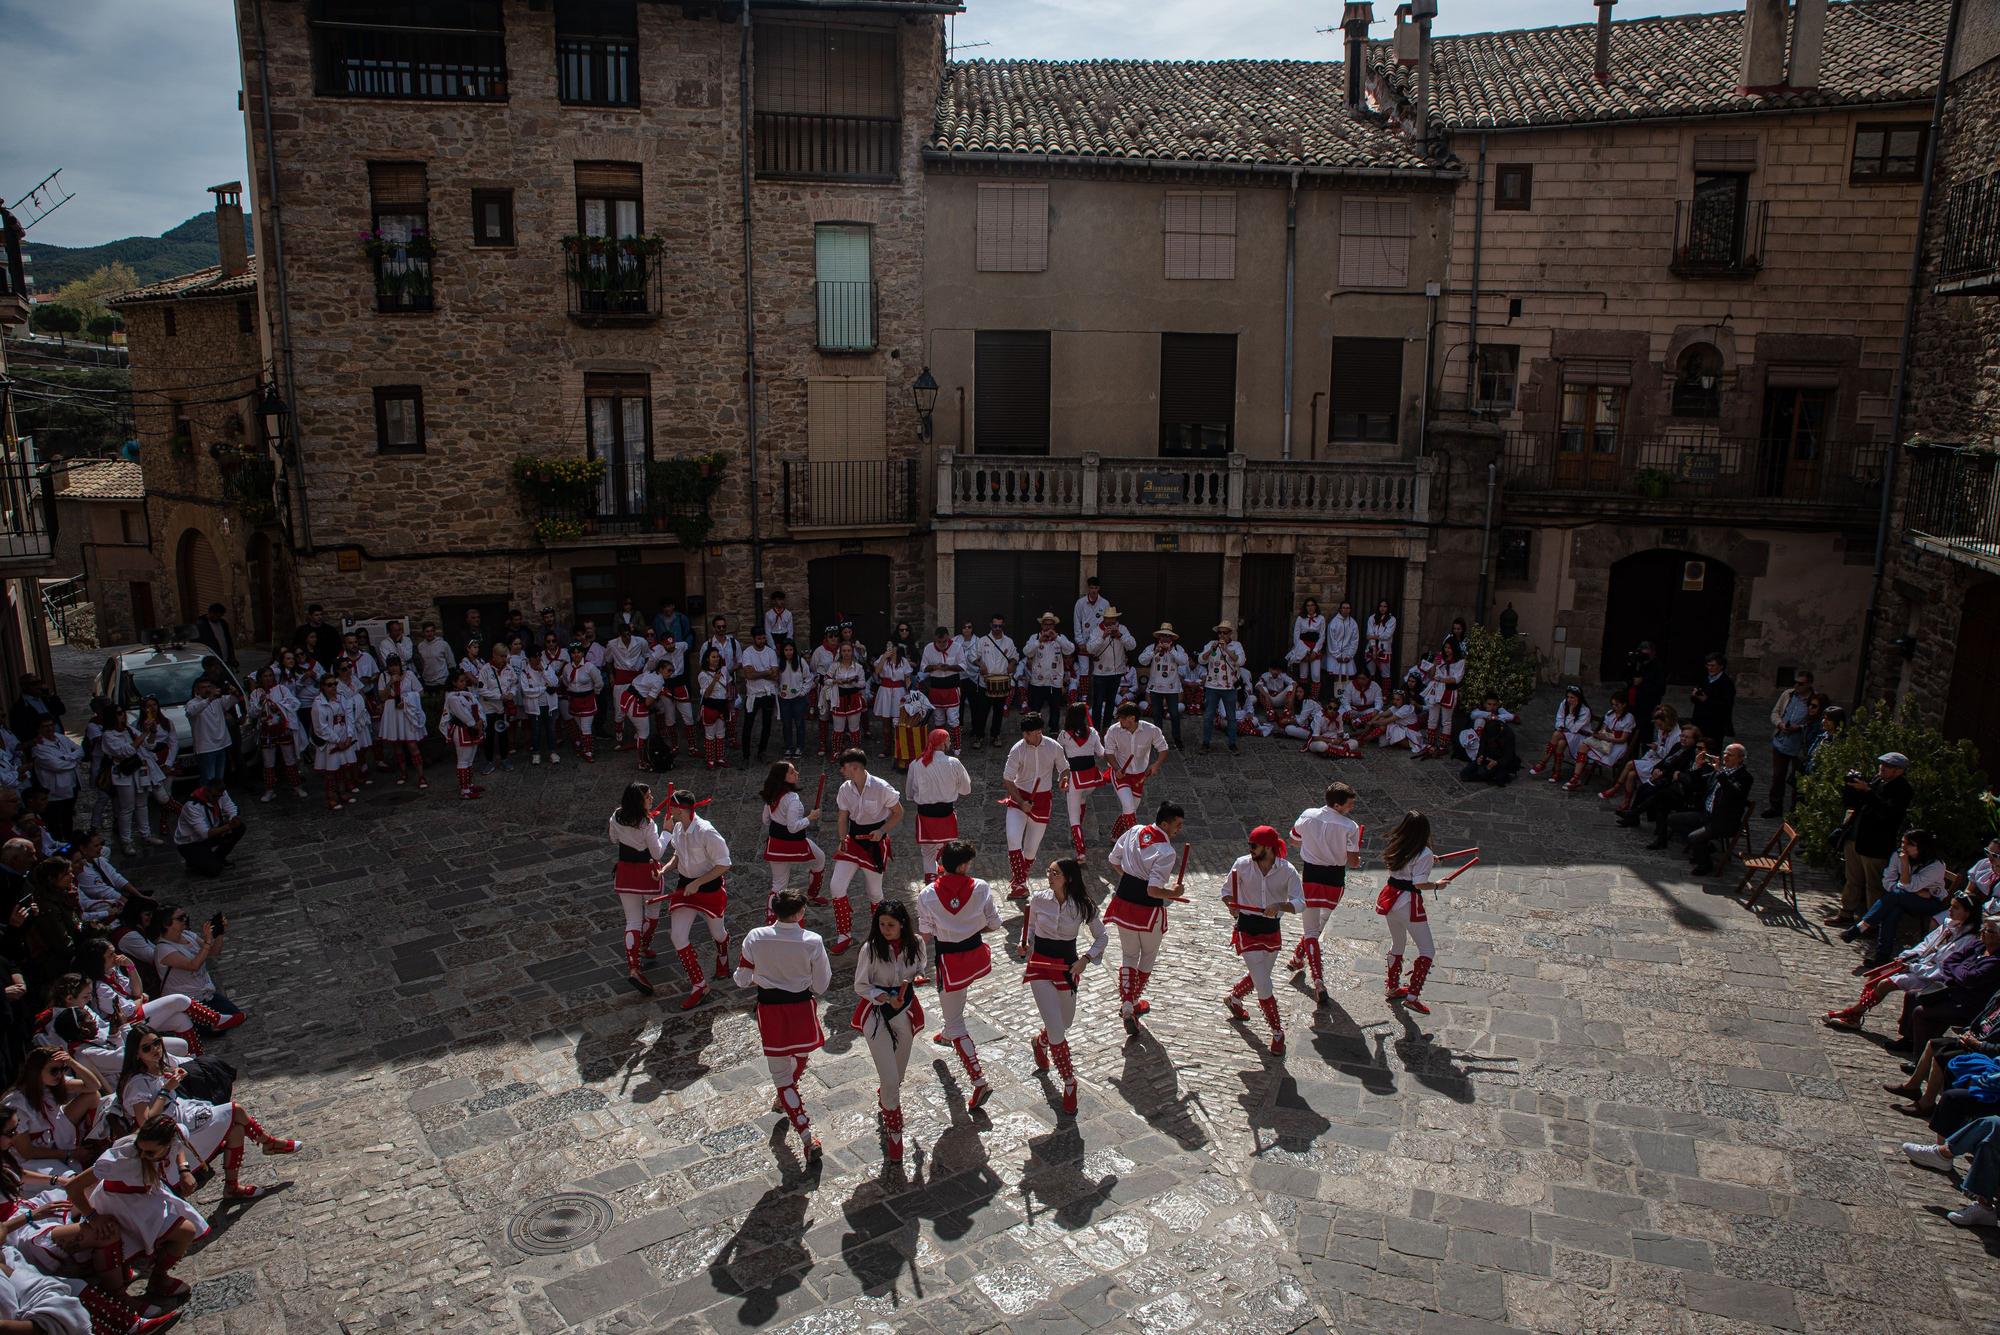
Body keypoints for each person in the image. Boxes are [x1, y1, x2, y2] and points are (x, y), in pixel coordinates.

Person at [117, 1025, 299, 1203]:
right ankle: (269, 1143)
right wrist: (165, 1091)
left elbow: (181, 1063)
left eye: (157, 1042)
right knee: (235, 1109)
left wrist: (176, 1075)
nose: (155, 1049)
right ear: (136, 1053)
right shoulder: (137, 1084)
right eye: (147, 1048)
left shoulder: (158, 1067)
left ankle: (232, 1187)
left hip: (185, 1118)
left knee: (236, 1130)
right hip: (174, 1135)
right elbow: (146, 1122)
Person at [67, 1115, 208, 1306]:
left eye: (150, 1153)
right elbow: (73, 1187)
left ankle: (158, 1278)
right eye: (140, 1149)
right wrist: (92, 1217)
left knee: (183, 1231)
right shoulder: (121, 1157)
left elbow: (178, 1146)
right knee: (184, 1231)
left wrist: (184, 1170)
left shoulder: (173, 1135)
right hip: (118, 1204)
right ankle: (122, 1293)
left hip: (146, 1198)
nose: (142, 1155)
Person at [734, 889, 832, 1157]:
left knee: (782, 1078)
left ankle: (806, 1136)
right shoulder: (812, 941)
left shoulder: (755, 937)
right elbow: (822, 985)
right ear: (800, 913)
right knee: (799, 1057)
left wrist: (763, 978)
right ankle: (796, 1119)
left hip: (771, 1012)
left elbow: (741, 979)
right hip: (802, 1009)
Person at [916, 840, 1002, 1112]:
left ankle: (979, 1080)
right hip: (974, 957)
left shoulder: (927, 894)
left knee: (956, 1022)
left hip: (948, 961)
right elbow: (994, 924)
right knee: (957, 996)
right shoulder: (982, 887)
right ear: (963, 865)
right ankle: (947, 1032)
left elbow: (926, 934)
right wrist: (970, 931)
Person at [1824, 891, 1982, 1031]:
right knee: (1878, 973)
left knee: (1886, 983)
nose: (1949, 910)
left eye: (1955, 908)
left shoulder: (1968, 940)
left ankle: (1854, 1012)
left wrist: (1912, 967)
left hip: (1932, 978)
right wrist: (1906, 957)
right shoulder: (1948, 926)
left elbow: (1942, 968)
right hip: (1917, 966)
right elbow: (1926, 944)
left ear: (1967, 913)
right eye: (1951, 906)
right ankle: (1856, 1016)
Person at [1021, 856, 1104, 1115]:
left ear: (1068, 877)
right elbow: (1031, 927)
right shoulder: (1038, 899)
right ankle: (1069, 1081)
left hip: (1067, 967)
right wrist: (1025, 942)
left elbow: (1102, 937)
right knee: (1058, 1031)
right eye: (1049, 871)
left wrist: (1085, 959)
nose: (1049, 875)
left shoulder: (1083, 906)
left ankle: (1040, 1041)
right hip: (1040, 967)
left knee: (1064, 1022)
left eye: (1055, 872)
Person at [1104, 801, 1188, 1036]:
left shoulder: (1133, 831)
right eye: (1177, 824)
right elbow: (1153, 891)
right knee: (1147, 956)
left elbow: (1113, 860)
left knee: (1128, 955)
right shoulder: (1166, 852)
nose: (1179, 829)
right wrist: (1173, 893)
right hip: (1148, 911)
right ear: (1164, 824)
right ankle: (1132, 1001)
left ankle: (1128, 1004)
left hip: (1123, 903)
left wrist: (1130, 878)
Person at [851, 899, 925, 1162]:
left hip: (904, 1012)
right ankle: (895, 1131)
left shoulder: (916, 943)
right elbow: (861, 986)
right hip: (877, 1015)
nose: (886, 929)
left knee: (898, 1075)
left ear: (902, 924)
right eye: (881, 924)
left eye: (891, 925)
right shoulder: (869, 950)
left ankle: (886, 1097)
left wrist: (916, 979)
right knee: (891, 1079)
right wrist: (882, 997)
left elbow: (920, 969)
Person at [1221, 826, 1303, 1055]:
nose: (1250, 850)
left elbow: (1300, 902)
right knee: (1264, 983)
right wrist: (1231, 906)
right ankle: (1277, 1032)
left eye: (1253, 846)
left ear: (1268, 847)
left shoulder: (1287, 871)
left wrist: (1280, 906)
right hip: (1247, 928)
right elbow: (1226, 891)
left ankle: (1235, 997)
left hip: (1271, 929)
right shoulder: (1242, 864)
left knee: (1261, 975)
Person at [661, 787, 732, 1010]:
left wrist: (698, 882)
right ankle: (699, 984)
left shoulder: (707, 832)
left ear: (684, 810)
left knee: (717, 933)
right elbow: (678, 854)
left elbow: (724, 864)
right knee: (678, 936)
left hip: (709, 889)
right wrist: (666, 869)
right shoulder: (678, 828)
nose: (670, 814)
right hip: (685, 887)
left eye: (673, 810)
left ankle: (723, 959)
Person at [827, 748, 903, 954]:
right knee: (836, 886)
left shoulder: (881, 787)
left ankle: (880, 936)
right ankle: (844, 935)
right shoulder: (845, 788)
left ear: (854, 767)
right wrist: (842, 838)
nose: (842, 772)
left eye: (843, 768)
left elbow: (898, 812)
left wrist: (882, 830)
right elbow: (843, 818)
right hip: (852, 842)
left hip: (874, 843)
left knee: (875, 893)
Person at [1829, 752, 1915, 929]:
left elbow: (1886, 812)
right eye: (1881, 765)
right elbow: (1856, 803)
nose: (1882, 768)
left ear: (1899, 771)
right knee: (1852, 879)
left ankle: (1871, 923)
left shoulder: (1902, 789)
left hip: (1876, 843)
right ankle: (1845, 913)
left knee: (1873, 885)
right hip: (1856, 837)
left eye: (1888, 766)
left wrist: (1867, 791)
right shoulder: (1877, 780)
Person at [1842, 829, 1950, 965]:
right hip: (1903, 897)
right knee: (1893, 908)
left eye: (1909, 844)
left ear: (1921, 847)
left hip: (1929, 902)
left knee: (1895, 896)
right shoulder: (1898, 855)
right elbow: (1888, 881)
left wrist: (1905, 866)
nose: (1903, 848)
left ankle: (1863, 926)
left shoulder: (1935, 866)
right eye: (1902, 842)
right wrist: (1910, 889)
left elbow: (1909, 885)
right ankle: (1881, 956)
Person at [1378, 810, 1449, 1015]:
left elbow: (1409, 865)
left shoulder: (1397, 843)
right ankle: (1412, 996)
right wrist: (1437, 885)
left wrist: (1428, 860)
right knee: (1427, 950)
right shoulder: (1424, 853)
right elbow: (1419, 882)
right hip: (1408, 903)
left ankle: (1392, 987)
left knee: (1397, 943)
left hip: (1391, 899)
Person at [1649, 742, 1753, 876]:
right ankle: (1706, 846)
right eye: (1725, 754)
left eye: (1730, 755)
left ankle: (1705, 864)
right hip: (1706, 814)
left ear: (1740, 759)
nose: (1726, 757)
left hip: (1723, 820)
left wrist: (1719, 772)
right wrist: (1697, 766)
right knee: (1673, 820)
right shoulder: (1721, 771)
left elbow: (1733, 791)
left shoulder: (1744, 777)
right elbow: (1699, 783)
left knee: (1694, 838)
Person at [607, 782, 669, 995]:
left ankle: (634, 967)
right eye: (648, 796)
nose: (651, 798)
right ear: (639, 801)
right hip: (648, 874)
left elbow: (613, 838)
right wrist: (667, 831)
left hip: (625, 873)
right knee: (652, 913)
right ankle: (644, 946)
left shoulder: (616, 816)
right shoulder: (648, 824)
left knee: (631, 921)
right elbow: (658, 853)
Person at [905, 727, 971, 883]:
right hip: (946, 814)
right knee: (948, 849)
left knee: (927, 852)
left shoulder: (916, 764)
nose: (949, 743)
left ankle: (931, 882)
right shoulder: (954, 763)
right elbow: (966, 790)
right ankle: (948, 881)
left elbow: (909, 793)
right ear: (942, 743)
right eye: (948, 740)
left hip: (925, 815)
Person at [760, 762, 824, 916]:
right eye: (791, 772)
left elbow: (766, 820)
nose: (796, 773)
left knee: (778, 885)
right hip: (794, 843)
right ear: (783, 777)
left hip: (775, 845)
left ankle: (770, 917)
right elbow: (793, 827)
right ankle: (812, 895)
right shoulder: (792, 799)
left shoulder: (772, 795)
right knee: (820, 859)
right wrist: (810, 817)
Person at [1764, 668, 1814, 818]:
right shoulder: (1788, 695)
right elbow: (1775, 712)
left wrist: (1799, 727)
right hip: (1781, 741)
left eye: (1801, 684)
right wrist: (1780, 724)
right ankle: (1775, 806)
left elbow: (1815, 722)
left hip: (1799, 745)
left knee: (1797, 779)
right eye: (1796, 683)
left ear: (1809, 684)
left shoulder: (1814, 700)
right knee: (1778, 776)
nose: (1797, 686)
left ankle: (1795, 810)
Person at [171, 783, 244, 878]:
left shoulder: (220, 794)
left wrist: (233, 817)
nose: (217, 799)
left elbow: (230, 807)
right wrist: (229, 826)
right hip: (190, 843)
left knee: (239, 828)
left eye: (219, 796)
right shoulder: (192, 806)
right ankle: (196, 860)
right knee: (214, 870)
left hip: (211, 830)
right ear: (207, 792)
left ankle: (217, 857)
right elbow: (204, 834)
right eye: (214, 796)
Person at [967, 617, 1019, 749]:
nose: (997, 629)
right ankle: (979, 736)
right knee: (982, 712)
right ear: (990, 625)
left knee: (998, 712)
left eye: (1000, 626)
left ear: (1003, 626)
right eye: (995, 626)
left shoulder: (1008, 642)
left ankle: (996, 735)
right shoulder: (982, 641)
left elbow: (1015, 656)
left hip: (1001, 683)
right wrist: (980, 664)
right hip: (986, 684)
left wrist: (1012, 664)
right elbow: (971, 656)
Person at [1567, 691, 1634, 793]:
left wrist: (1607, 738)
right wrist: (1599, 735)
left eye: (1617, 705)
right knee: (1583, 746)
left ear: (1624, 705)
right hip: (1606, 740)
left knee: (1596, 748)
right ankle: (1576, 778)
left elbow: (1623, 739)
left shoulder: (1629, 718)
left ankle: (1578, 777)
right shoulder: (1610, 714)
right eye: (1612, 704)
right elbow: (1604, 729)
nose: (1614, 707)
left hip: (1617, 744)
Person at [26, 721, 81, 841]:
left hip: (71, 785)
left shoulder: (61, 738)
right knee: (55, 822)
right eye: (45, 726)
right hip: (54, 792)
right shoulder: (38, 747)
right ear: (39, 729)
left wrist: (66, 758)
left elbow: (80, 750)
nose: (50, 728)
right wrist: (73, 760)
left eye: (51, 725)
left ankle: (69, 842)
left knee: (68, 818)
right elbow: (56, 765)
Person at [1197, 622, 1247, 754]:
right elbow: (1201, 660)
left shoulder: (1236, 645)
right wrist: (1211, 650)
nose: (1222, 635)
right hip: (1212, 686)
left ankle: (1232, 743)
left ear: (1230, 634)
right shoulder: (1211, 643)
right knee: (1208, 716)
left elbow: (1241, 661)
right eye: (1220, 633)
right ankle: (1206, 743)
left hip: (1229, 687)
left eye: (1225, 633)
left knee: (1231, 717)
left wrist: (1226, 650)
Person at [1137, 624, 1189, 751]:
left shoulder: (1177, 648)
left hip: (1172, 688)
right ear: (1159, 637)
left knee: (1175, 714)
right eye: (1163, 636)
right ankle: (1158, 740)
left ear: (1172, 638)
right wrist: (1155, 651)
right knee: (1157, 715)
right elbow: (1142, 660)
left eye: (1168, 636)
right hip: (1156, 688)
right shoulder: (1152, 647)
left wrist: (1171, 650)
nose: (1165, 638)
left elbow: (1183, 661)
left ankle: (1177, 739)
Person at [917, 628, 966, 756]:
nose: (942, 645)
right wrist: (934, 667)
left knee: (953, 719)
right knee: (938, 719)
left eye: (944, 641)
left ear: (948, 637)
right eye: (939, 642)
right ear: (935, 639)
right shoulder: (929, 648)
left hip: (952, 687)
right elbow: (923, 667)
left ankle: (957, 748)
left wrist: (948, 667)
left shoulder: (957, 647)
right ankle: (940, 747)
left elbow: (963, 666)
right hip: (936, 688)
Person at [1529, 685, 1592, 782]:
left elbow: (1574, 729)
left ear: (1578, 698)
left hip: (1580, 736)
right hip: (1567, 733)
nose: (1569, 700)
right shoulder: (1564, 703)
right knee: (1560, 743)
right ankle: (1556, 772)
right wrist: (1561, 726)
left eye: (1572, 697)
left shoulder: (1585, 711)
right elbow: (1559, 717)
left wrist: (1571, 712)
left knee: (1556, 735)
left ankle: (1543, 763)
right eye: (1568, 697)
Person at [1416, 640, 1464, 760]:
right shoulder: (1439, 658)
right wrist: (1435, 665)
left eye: (1450, 648)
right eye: (1446, 647)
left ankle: (1443, 746)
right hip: (1436, 690)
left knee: (1446, 721)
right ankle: (1430, 744)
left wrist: (1441, 680)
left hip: (1449, 691)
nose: (1447, 650)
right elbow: (1431, 675)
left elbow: (1457, 679)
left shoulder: (1460, 661)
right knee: (1432, 719)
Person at [441, 671, 485, 800]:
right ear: (454, 682)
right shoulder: (452, 697)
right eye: (461, 681)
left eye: (464, 680)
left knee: (470, 759)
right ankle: (464, 790)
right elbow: (462, 714)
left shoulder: (467, 694)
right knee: (463, 760)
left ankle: (470, 784)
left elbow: (478, 707)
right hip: (462, 730)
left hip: (473, 727)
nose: (464, 683)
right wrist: (474, 724)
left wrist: (481, 720)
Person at [738, 628, 779, 762]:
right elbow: (749, 675)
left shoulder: (770, 652)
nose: (762, 641)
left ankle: (762, 751)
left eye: (763, 638)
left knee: (767, 725)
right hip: (753, 694)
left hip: (768, 693)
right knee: (748, 725)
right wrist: (766, 672)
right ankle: (745, 755)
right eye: (759, 638)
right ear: (754, 638)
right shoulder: (748, 653)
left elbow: (775, 674)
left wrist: (758, 673)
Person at [871, 641, 914, 759]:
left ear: (896, 647)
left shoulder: (903, 661)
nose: (890, 648)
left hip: (899, 691)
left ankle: (899, 747)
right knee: (886, 720)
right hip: (885, 690)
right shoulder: (882, 658)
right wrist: (884, 657)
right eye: (888, 645)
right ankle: (886, 747)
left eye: (892, 646)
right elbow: (877, 672)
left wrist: (909, 692)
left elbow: (907, 678)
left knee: (898, 720)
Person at [1461, 703, 1521, 786]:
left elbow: (1509, 755)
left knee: (1499, 779)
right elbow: (1482, 745)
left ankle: (1489, 775)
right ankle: (1486, 775)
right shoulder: (1487, 730)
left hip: (1500, 759)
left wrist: (1497, 762)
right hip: (1487, 756)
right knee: (1465, 774)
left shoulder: (1508, 735)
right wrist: (1480, 756)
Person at [774, 640, 814, 760]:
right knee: (786, 724)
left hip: (798, 699)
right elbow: (775, 680)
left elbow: (808, 678)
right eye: (786, 650)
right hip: (784, 699)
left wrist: (802, 692)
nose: (788, 652)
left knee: (799, 723)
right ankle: (788, 747)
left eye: (790, 649)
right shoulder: (779, 662)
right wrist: (778, 692)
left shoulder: (800, 662)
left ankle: (800, 747)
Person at [825, 644, 867, 756]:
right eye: (844, 651)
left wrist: (853, 681)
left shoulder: (858, 667)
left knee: (854, 728)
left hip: (853, 698)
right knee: (838, 728)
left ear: (852, 652)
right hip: (838, 698)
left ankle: (856, 754)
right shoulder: (835, 666)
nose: (846, 653)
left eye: (849, 651)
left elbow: (863, 683)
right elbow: (826, 680)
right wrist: (835, 681)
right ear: (840, 652)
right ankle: (836, 752)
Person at [1688, 652, 1737, 744]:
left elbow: (1726, 705)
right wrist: (1695, 695)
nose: (1709, 668)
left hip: (1714, 724)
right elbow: (1695, 699)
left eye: (1713, 666)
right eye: (1708, 665)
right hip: (1699, 720)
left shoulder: (1726, 683)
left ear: (1721, 666)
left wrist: (1706, 700)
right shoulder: (1705, 679)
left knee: (1710, 751)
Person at [1288, 598, 1327, 700]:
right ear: (1305, 607)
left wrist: (1315, 651)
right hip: (1303, 648)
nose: (1310, 607)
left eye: (1312, 605)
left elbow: (1322, 636)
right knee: (1303, 674)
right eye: (1308, 605)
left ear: (1315, 606)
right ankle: (1303, 697)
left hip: (1315, 647)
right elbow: (1296, 636)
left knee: (1316, 675)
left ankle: (1314, 698)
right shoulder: (1300, 619)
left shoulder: (1321, 619)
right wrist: (1303, 652)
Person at [1072, 577, 1108, 681]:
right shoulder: (1080, 603)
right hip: (1084, 642)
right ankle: (1084, 696)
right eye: (1091, 588)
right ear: (1088, 588)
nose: (1093, 590)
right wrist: (1079, 642)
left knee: (1100, 670)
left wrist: (1104, 639)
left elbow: (1108, 621)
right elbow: (1077, 623)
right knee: (1084, 670)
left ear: (1099, 588)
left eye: (1095, 588)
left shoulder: (1105, 603)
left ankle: (1099, 696)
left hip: (1100, 641)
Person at [1324, 601, 1360, 697]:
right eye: (1343, 608)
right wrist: (1337, 655)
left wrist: (1349, 655)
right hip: (1334, 654)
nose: (1345, 610)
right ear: (1340, 609)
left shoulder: (1353, 623)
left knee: (1346, 676)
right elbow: (1331, 640)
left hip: (1347, 653)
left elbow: (1354, 640)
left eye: (1348, 608)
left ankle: (1345, 697)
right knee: (1336, 676)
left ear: (1350, 610)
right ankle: (1336, 697)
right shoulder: (1333, 623)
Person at [1254, 663, 1298, 735]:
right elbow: (1258, 685)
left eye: (1277, 670)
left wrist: (1291, 698)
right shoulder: (1265, 675)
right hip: (1269, 700)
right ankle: (1270, 712)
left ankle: (1287, 712)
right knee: (1263, 688)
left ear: (1280, 671)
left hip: (1279, 699)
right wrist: (1266, 696)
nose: (1275, 672)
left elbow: (1294, 683)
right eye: (1273, 669)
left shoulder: (1283, 675)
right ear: (1269, 669)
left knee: (1290, 687)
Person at [1365, 601, 1397, 683]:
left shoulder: (1392, 619)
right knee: (1370, 672)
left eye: (1385, 606)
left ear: (1388, 608)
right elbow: (1370, 632)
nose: (1382, 608)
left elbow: (1387, 635)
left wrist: (1373, 636)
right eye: (1381, 606)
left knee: (1385, 674)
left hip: (1384, 649)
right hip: (1371, 649)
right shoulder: (1372, 618)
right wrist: (1374, 647)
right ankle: (1371, 692)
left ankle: (1384, 695)